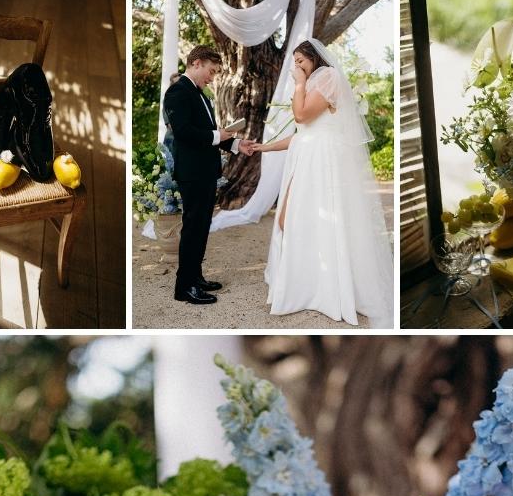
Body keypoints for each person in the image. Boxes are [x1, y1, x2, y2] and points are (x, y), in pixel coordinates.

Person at [246, 39, 394, 328]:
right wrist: (264, 147)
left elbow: (301, 115)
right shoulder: (313, 82)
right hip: (306, 156)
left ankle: (324, 289)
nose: (297, 67)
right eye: (295, 62)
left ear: (315, 58)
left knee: (309, 220)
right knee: (288, 219)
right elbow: (302, 132)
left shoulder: (328, 77)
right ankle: (308, 282)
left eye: (301, 61)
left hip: (322, 160)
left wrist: (300, 84)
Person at [163, 46, 253, 305]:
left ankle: (196, 277)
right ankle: (184, 287)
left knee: (202, 227)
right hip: (192, 172)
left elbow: (207, 133)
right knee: (193, 228)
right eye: (211, 71)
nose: (212, 78)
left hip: (204, 171)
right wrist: (217, 135)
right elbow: (183, 132)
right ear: (196, 63)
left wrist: (236, 144)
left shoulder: (199, 94)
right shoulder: (178, 92)